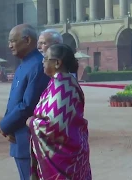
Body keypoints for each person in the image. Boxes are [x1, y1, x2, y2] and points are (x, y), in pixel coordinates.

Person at [26, 43, 92, 180]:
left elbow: (54, 126)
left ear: (57, 63)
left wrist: (32, 122)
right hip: (73, 151)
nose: (42, 62)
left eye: (45, 58)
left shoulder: (61, 86)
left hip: (64, 160)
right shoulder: (61, 82)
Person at [0, 24, 50, 180]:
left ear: (27, 40)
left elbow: (28, 105)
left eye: (13, 41)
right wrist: (9, 128)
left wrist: (5, 125)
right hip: (19, 136)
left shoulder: (37, 65)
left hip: (29, 138)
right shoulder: (26, 64)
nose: (10, 45)